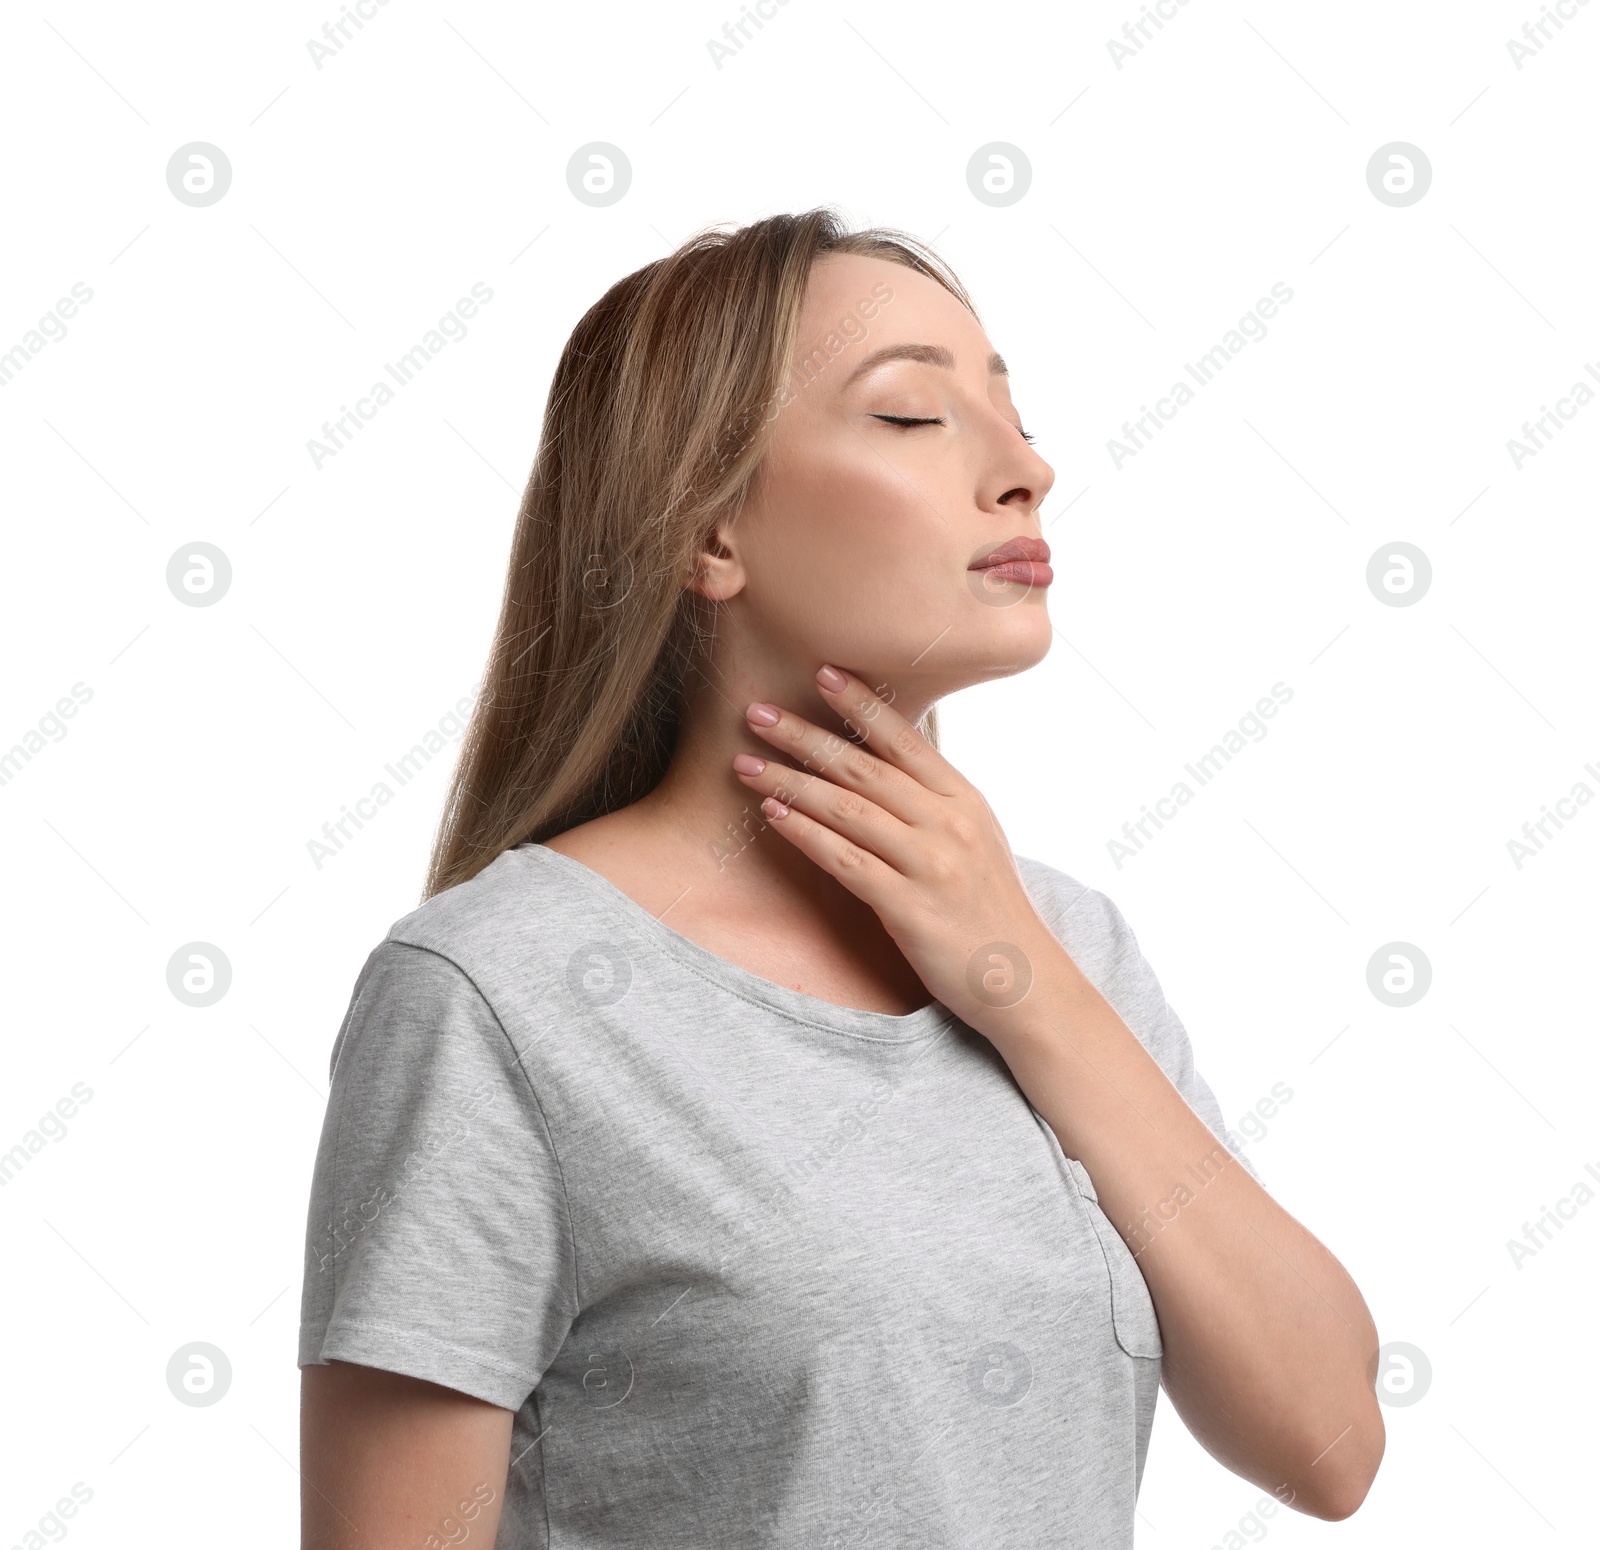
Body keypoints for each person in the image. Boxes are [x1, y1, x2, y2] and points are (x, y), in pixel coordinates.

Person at [297, 208, 1384, 1548]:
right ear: (708, 533)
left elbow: (1330, 1443)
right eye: (915, 416)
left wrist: (1023, 978)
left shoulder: (1070, 947)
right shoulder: (500, 992)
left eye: (1013, 410)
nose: (1028, 467)